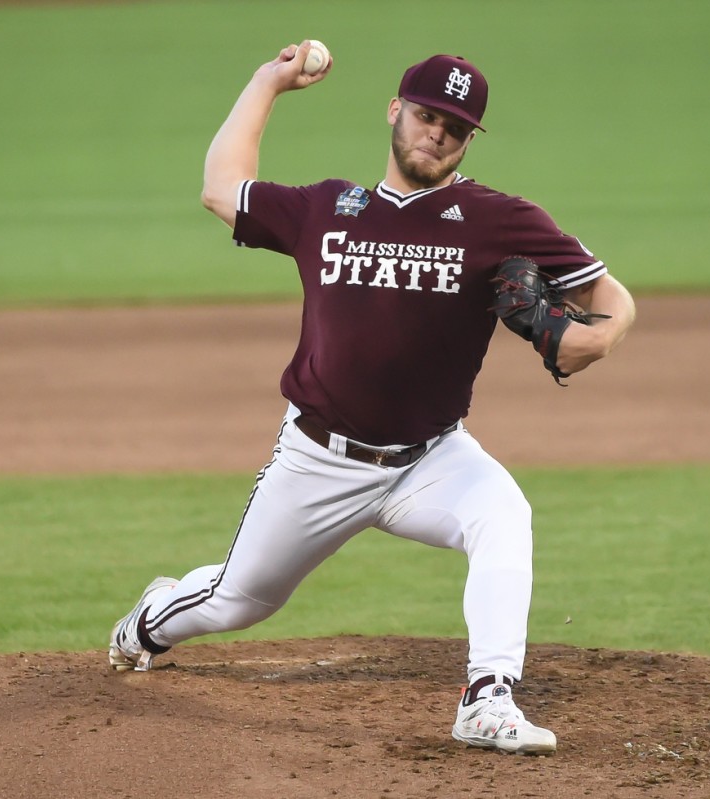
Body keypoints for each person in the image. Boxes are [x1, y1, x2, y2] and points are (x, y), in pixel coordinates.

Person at [109, 41, 636, 755]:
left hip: (431, 458)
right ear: (396, 111)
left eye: (455, 125)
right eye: (426, 114)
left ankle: (488, 695)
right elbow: (220, 186)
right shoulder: (328, 208)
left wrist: (596, 340)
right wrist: (269, 81)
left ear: (469, 138)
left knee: (504, 512)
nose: (437, 133)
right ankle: (149, 620)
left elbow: (610, 298)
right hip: (318, 459)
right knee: (239, 598)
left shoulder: (499, 220)